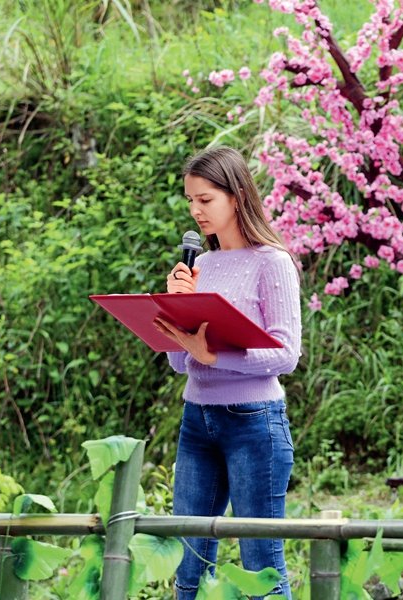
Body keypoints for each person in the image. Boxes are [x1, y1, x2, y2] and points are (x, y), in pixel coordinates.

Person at [154, 146, 301, 599]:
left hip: (254, 423)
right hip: (197, 421)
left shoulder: (271, 262)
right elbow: (182, 362)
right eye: (190, 200)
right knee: (188, 562)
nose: (195, 210)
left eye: (205, 199)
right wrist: (176, 314)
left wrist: (215, 356)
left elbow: (285, 354)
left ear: (236, 196)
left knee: (261, 563)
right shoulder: (200, 265)